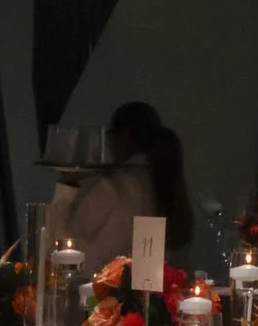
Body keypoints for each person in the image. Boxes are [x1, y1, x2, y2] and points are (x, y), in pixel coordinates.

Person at [49, 101, 194, 265]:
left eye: (109, 136)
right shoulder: (163, 184)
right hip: (150, 281)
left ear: (123, 136)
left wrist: (65, 186)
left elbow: (61, 248)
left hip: (100, 280)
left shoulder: (114, 188)